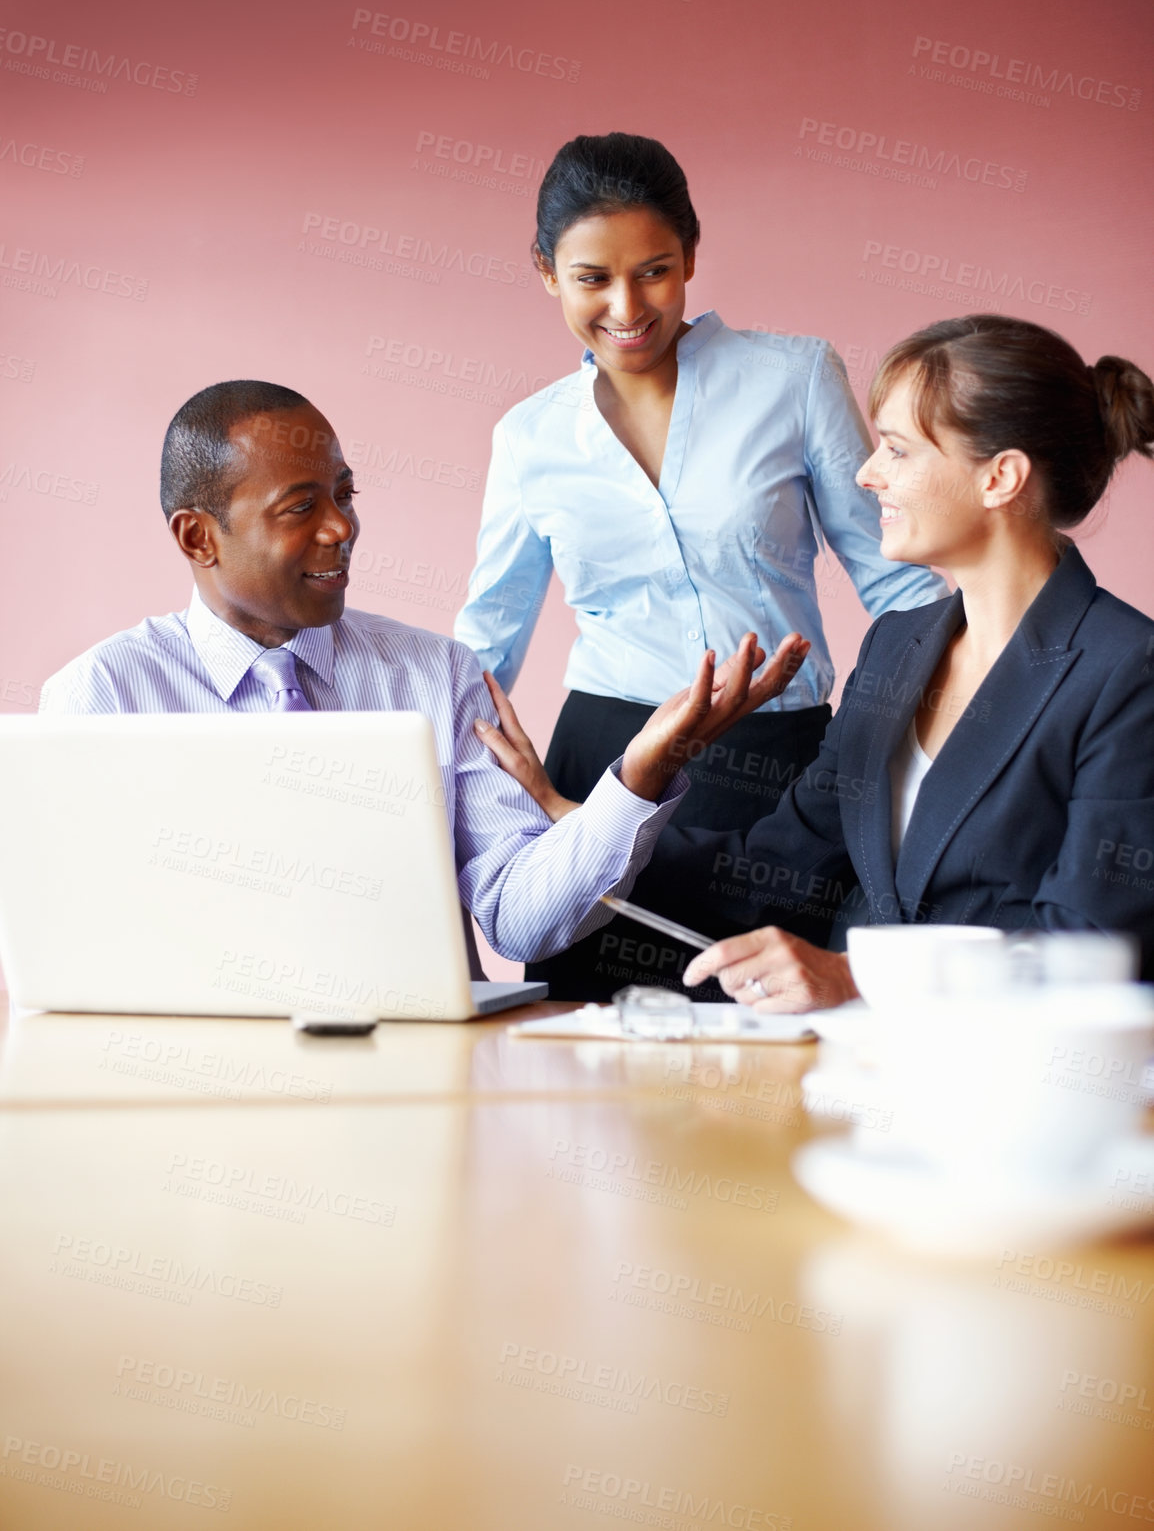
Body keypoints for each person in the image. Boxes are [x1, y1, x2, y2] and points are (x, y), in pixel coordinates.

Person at [478, 315, 1154, 998]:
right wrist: (591, 817)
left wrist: (856, 978)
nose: (865, 473)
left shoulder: (1127, 671)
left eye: (896, 449)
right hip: (857, 1070)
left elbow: (1089, 944)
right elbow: (774, 869)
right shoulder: (897, 647)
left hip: (1018, 1081)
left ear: (1001, 477)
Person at [39, 381, 807, 970]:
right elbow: (77, 941)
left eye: (344, 494)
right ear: (198, 537)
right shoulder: (99, 701)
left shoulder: (434, 673)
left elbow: (521, 918)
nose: (342, 527)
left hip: (420, 1083)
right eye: (300, 507)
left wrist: (638, 777)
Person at [454, 131, 946, 998]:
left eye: (655, 270)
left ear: (691, 257)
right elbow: (487, 635)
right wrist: (433, 784)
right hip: (604, 767)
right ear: (545, 271)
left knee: (778, 1047)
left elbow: (899, 581)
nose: (627, 305)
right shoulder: (529, 435)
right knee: (591, 1054)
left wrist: (899, 737)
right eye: (591, 278)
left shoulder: (793, 377)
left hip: (778, 766)